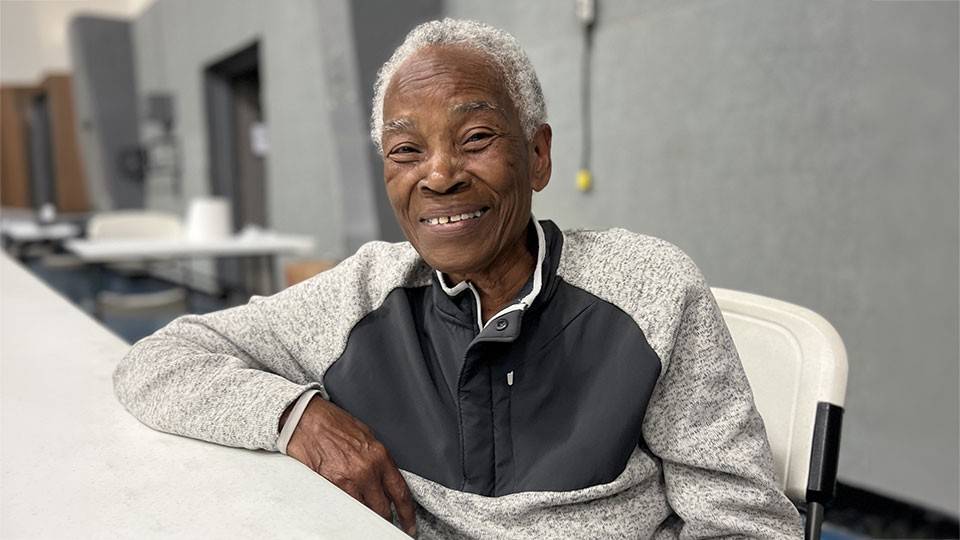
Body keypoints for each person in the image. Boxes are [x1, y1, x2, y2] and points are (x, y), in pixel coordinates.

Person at [115, 18, 802, 539]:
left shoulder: (650, 288)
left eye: (475, 139)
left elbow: (748, 526)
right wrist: (299, 418)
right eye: (406, 150)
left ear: (537, 156)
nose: (439, 175)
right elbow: (158, 362)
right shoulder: (364, 294)